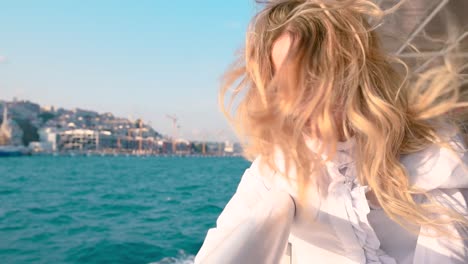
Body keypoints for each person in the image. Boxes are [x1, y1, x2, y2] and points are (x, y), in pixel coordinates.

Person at [195, 0, 468, 263]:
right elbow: (219, 249)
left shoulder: (432, 157)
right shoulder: (273, 170)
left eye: (313, 77)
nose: (300, 99)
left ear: (352, 74)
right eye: (284, 84)